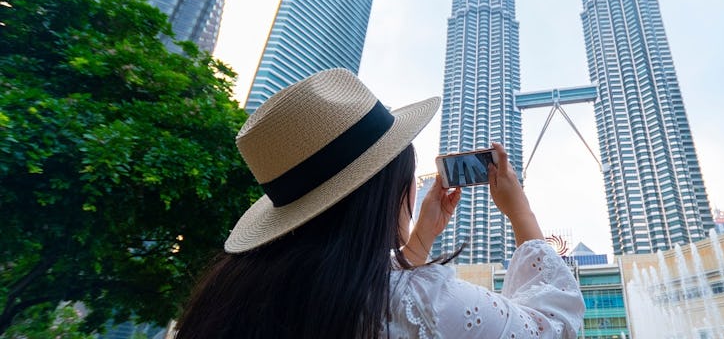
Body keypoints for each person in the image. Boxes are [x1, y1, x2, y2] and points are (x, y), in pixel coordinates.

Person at [174, 68, 585, 338]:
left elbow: (367, 283)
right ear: (386, 192)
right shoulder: (427, 304)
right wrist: (520, 210)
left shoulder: (233, 293)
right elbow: (554, 328)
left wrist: (421, 237)